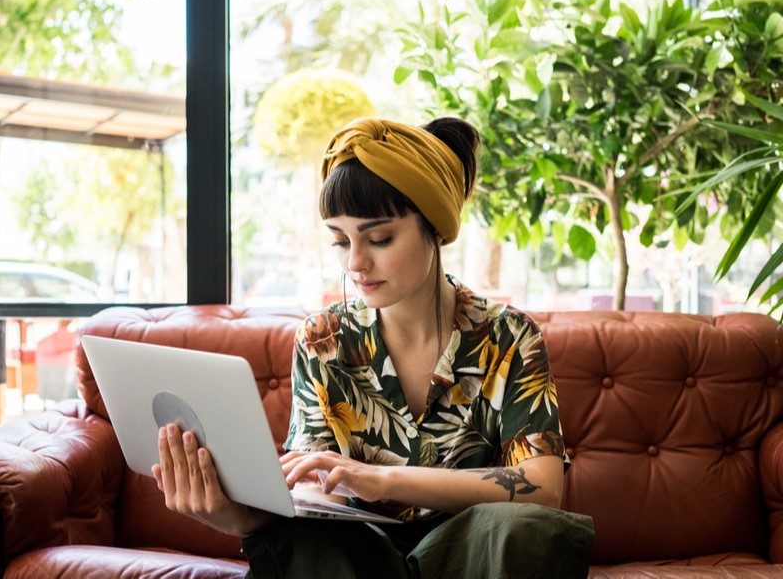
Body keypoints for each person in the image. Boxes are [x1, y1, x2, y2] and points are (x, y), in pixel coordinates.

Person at [152, 117, 595, 578]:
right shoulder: (322, 340)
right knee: (304, 535)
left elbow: (543, 488)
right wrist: (230, 515)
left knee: (524, 528)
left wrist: (382, 479)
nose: (356, 263)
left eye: (379, 238)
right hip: (360, 560)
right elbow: (313, 493)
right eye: (340, 241)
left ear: (435, 227)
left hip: (474, 557)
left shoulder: (510, 337)